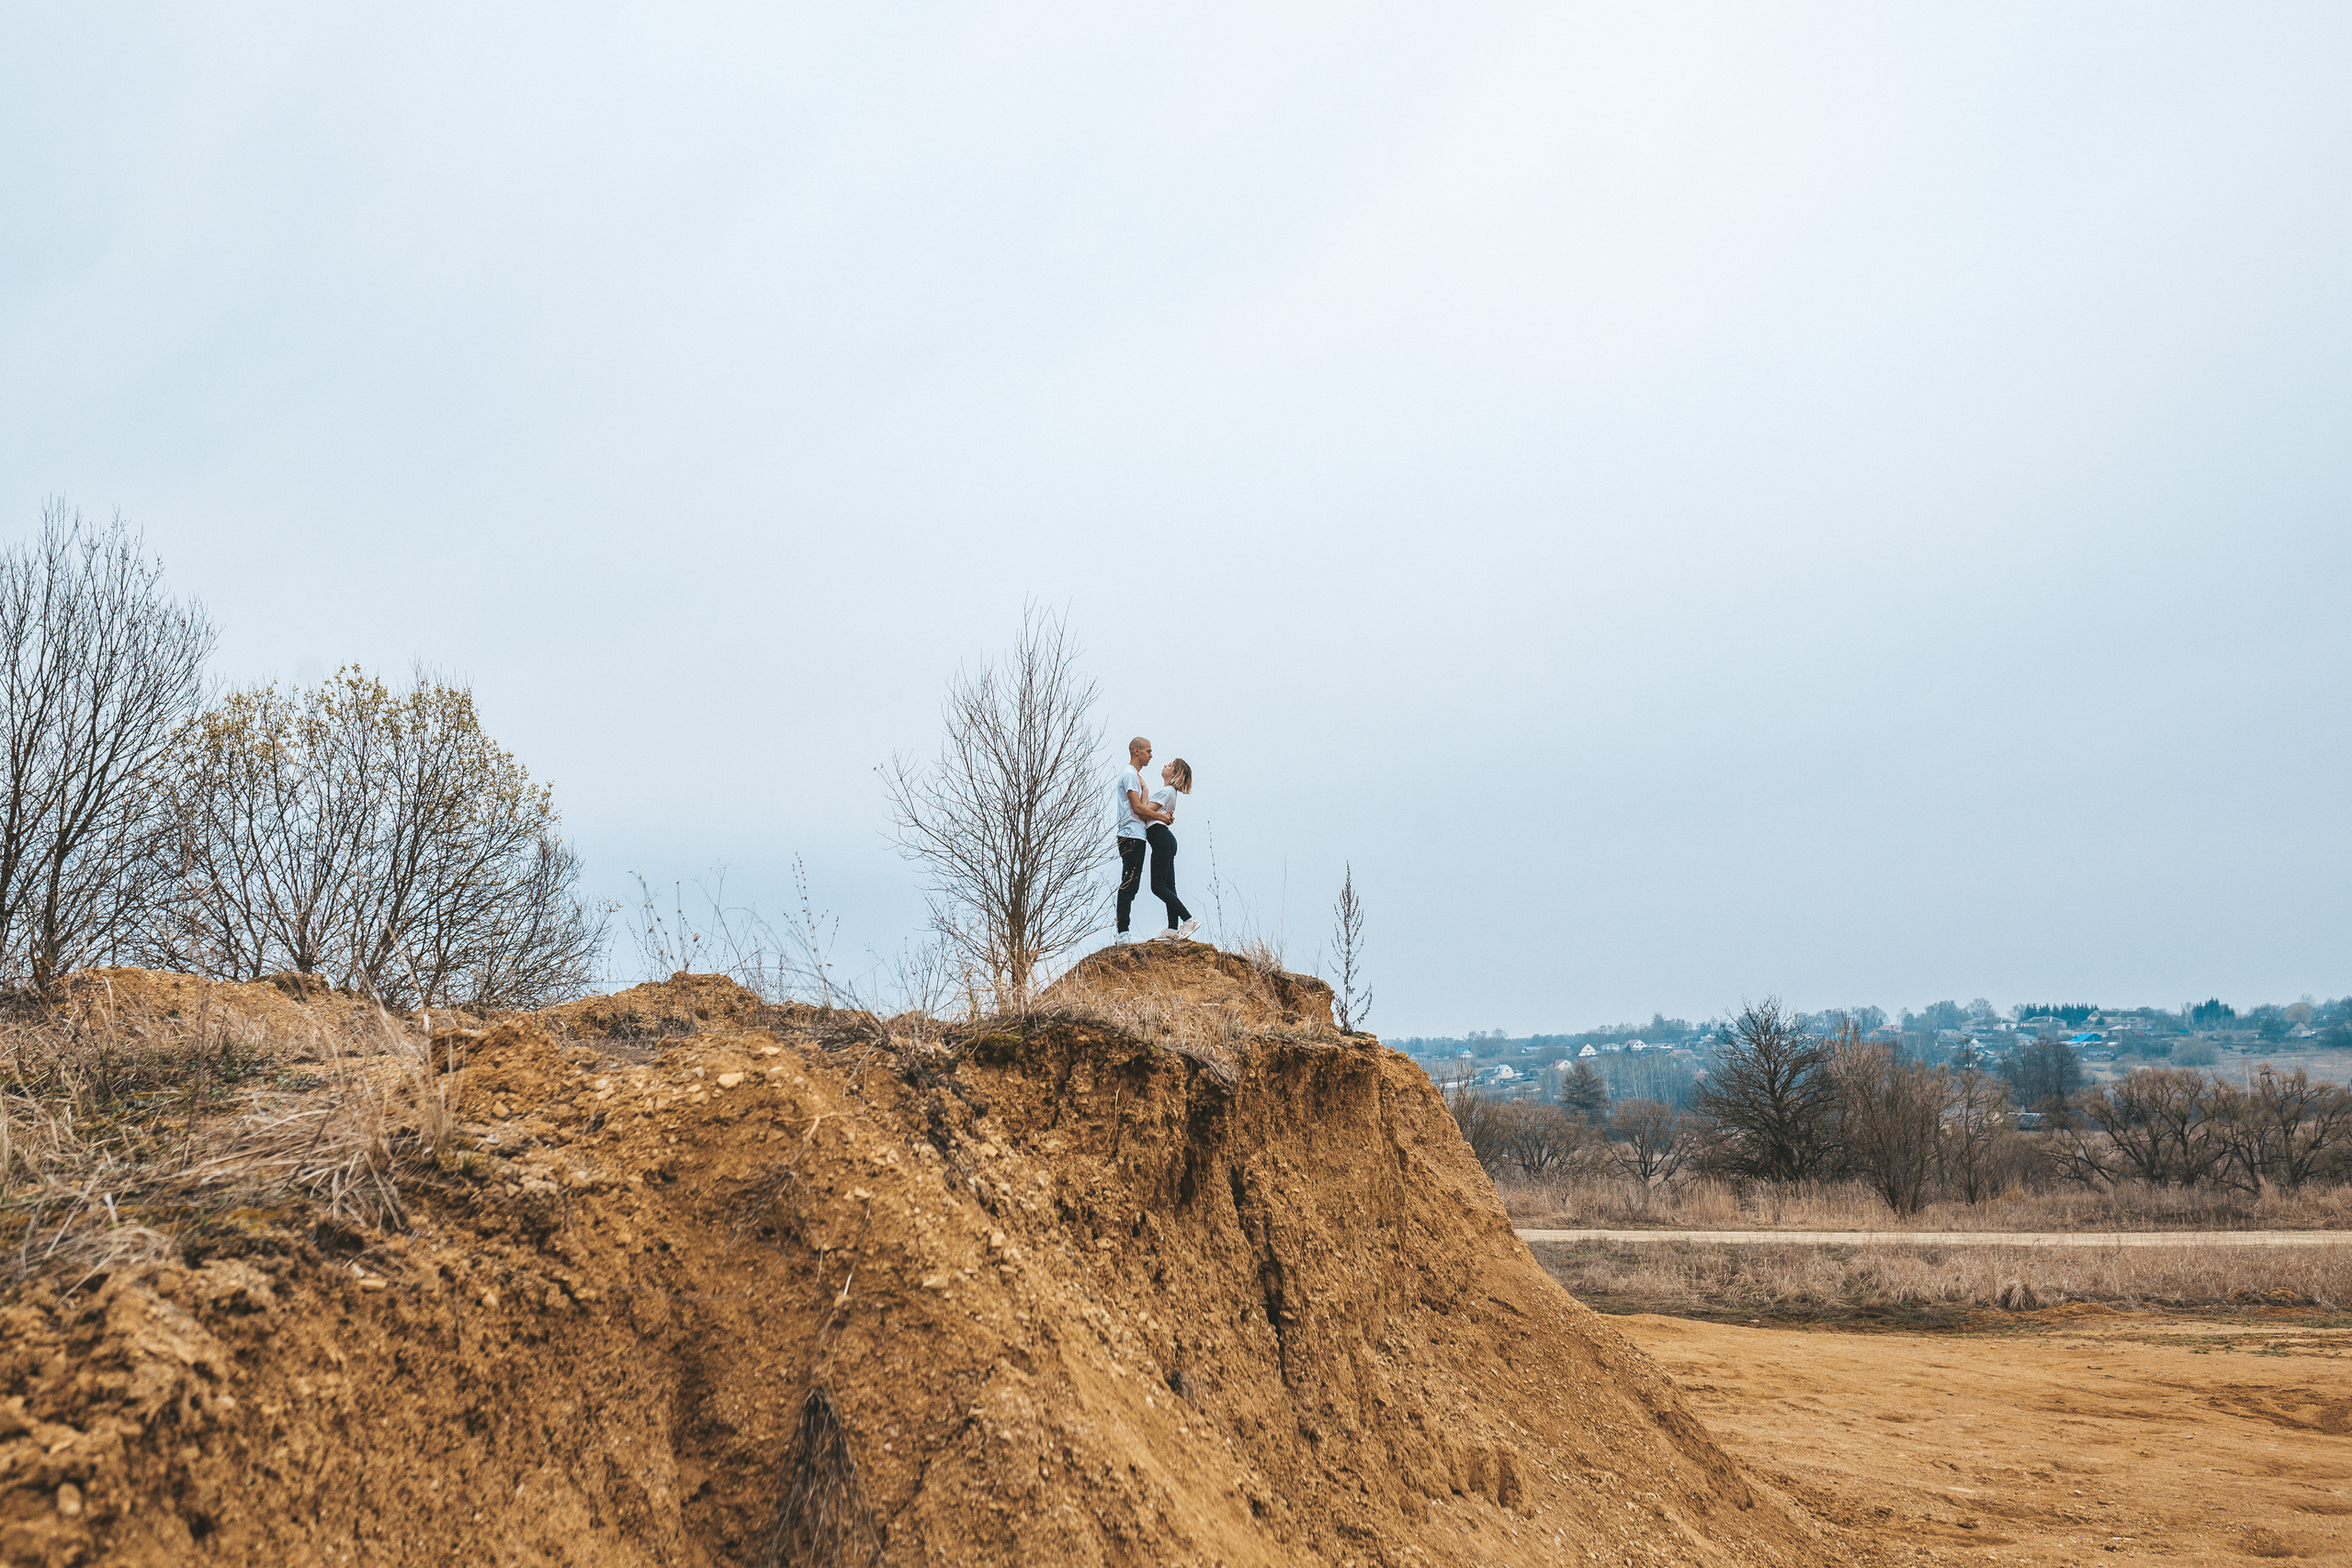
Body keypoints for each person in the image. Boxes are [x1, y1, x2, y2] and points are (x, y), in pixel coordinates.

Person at [1113, 737, 1170, 942]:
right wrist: (1162, 817)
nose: (1151, 756)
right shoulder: (1129, 775)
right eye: (1148, 751)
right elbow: (1137, 808)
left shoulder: (1134, 776)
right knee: (1129, 882)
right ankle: (1123, 933)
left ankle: (1124, 932)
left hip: (1137, 835)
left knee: (1133, 883)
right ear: (1137, 751)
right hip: (1130, 835)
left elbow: (1142, 808)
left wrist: (1145, 790)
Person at [1146, 758, 1199, 941]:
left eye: (1169, 766)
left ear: (1175, 774)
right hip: (1164, 840)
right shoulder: (1170, 792)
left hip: (1161, 840)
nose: (1164, 766)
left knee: (1158, 887)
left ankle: (1188, 919)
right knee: (1169, 887)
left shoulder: (1166, 791)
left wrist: (1142, 791)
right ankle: (1172, 929)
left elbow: (1144, 811)